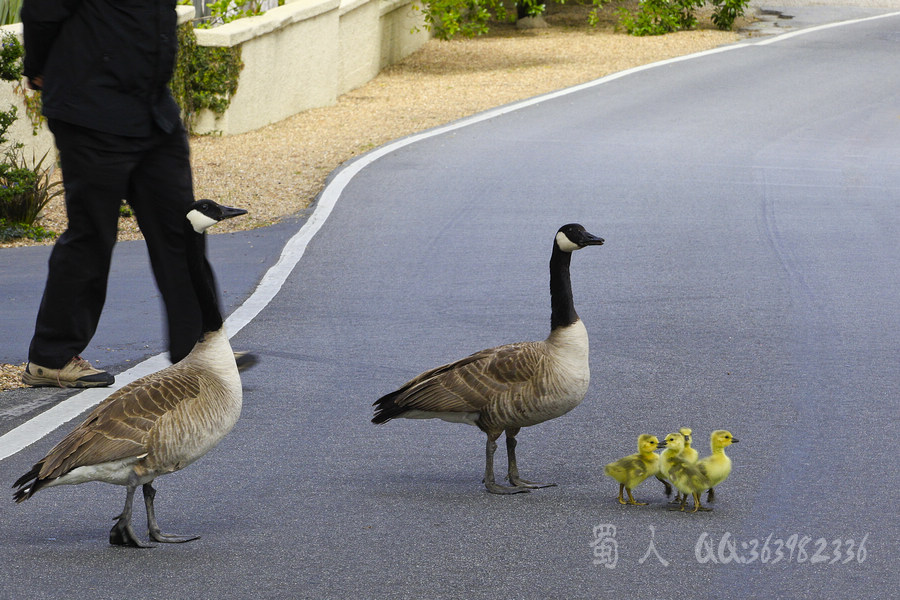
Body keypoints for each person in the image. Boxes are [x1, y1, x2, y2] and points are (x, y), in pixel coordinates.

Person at [20, 0, 223, 388]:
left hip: (152, 112)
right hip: (91, 107)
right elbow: (42, 10)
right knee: (92, 234)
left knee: (182, 228)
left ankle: (199, 348)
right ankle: (51, 357)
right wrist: (40, 69)